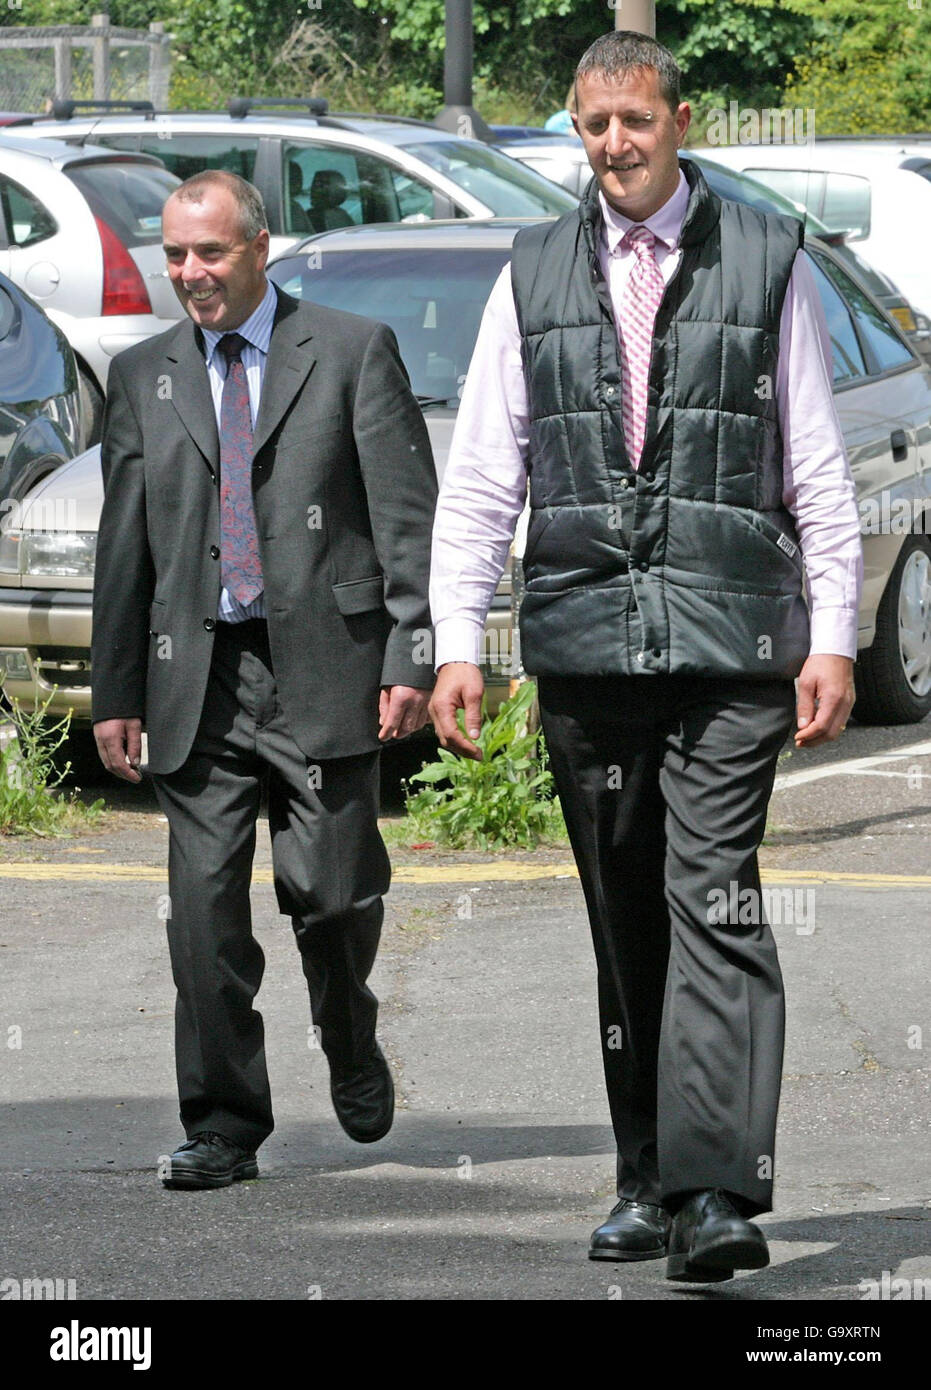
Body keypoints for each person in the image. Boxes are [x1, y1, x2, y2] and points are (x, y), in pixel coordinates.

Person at [429, 31, 862, 1282]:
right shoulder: (533, 268)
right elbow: (482, 474)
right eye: (590, 124)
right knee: (627, 920)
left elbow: (817, 468)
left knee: (713, 901)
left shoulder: (768, 262)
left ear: (681, 119)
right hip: (587, 646)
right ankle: (644, 1177)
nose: (612, 144)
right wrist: (462, 640)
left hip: (731, 650)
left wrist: (829, 633)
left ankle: (719, 1191)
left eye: (633, 119)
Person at [92, 170, 436, 1189]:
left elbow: (404, 517)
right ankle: (224, 1124)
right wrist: (115, 692)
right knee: (201, 919)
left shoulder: (346, 352)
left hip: (323, 672)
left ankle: (346, 1025)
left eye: (212, 253)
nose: (192, 274)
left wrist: (408, 652)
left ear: (260, 248)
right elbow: (127, 548)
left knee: (329, 898)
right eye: (177, 256)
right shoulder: (143, 372)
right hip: (195, 679)